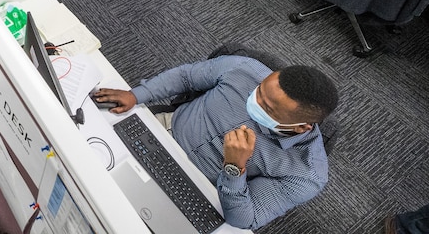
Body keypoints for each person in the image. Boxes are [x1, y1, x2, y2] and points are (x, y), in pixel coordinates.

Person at [93, 56, 339, 230]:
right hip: (162, 132)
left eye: (267, 107)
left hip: (196, 187)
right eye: (259, 91)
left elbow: (245, 218)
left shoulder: (306, 173)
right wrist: (136, 95)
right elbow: (186, 77)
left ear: (301, 127)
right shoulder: (245, 68)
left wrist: (234, 168)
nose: (253, 100)